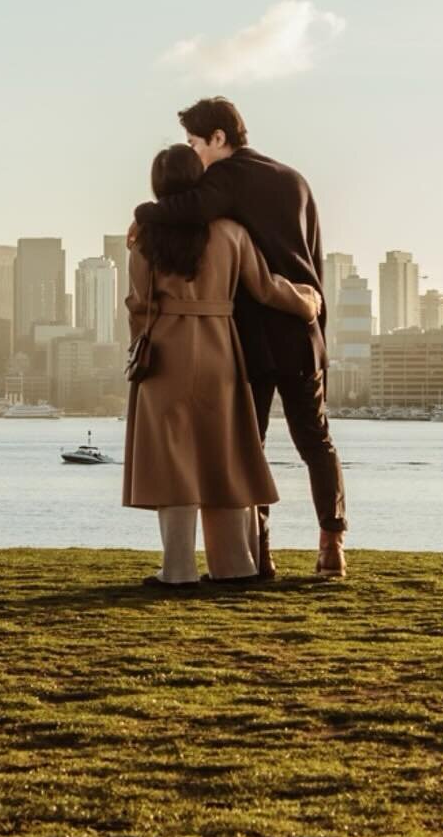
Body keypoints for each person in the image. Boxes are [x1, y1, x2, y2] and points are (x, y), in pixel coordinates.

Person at [132, 97, 347, 578]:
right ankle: (331, 544)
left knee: (248, 449)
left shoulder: (223, 181)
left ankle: (260, 553)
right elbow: (312, 258)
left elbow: (187, 207)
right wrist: (315, 318)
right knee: (316, 441)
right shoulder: (296, 180)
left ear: (218, 139)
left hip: (248, 337)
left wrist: (144, 213)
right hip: (301, 328)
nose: (195, 154)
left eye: (195, 143)